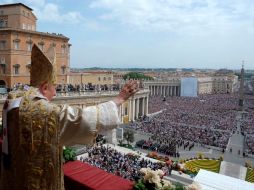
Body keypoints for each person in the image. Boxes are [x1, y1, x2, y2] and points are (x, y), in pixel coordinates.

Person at [0, 44, 139, 190]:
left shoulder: (14, 98)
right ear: (45, 87)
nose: (55, 94)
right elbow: (81, 118)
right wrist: (120, 99)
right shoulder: (45, 111)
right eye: (54, 87)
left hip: (13, 176)